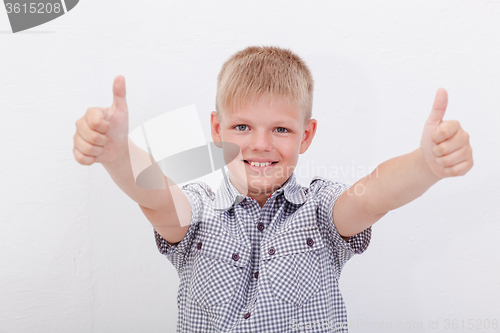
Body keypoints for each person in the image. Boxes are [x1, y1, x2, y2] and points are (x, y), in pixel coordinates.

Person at [73, 46, 473, 332]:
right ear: (217, 130)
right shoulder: (198, 208)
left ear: (306, 135)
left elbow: (377, 191)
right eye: (242, 127)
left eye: (280, 129)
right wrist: (118, 154)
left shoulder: (321, 209)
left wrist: (425, 165)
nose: (261, 144)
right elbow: (156, 196)